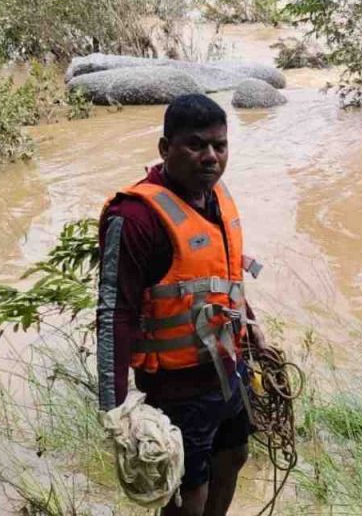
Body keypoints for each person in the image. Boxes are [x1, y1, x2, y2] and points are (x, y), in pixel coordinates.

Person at [96, 94, 265, 516]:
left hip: (229, 368)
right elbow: (114, 312)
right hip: (178, 386)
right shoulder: (135, 217)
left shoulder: (217, 196)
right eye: (195, 144)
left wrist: (253, 325)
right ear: (164, 148)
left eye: (219, 146)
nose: (210, 156)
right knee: (190, 491)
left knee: (234, 456)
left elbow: (225, 276)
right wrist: (114, 409)